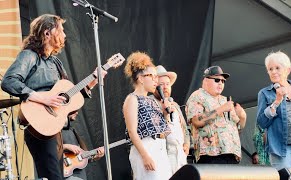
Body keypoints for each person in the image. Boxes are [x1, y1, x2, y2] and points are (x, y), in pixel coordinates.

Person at [1, 14, 106, 179]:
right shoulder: (29, 56)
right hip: (39, 125)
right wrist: (42, 98)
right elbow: (9, 81)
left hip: (55, 129)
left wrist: (91, 82)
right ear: (47, 33)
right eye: (61, 30)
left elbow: (67, 98)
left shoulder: (56, 62)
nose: (64, 35)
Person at [123, 52, 172, 180]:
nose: (156, 81)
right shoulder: (132, 99)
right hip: (145, 147)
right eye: (152, 76)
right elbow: (132, 131)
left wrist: (165, 114)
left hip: (160, 147)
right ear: (140, 78)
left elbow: (162, 128)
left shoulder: (152, 100)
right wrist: (145, 156)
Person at [185, 66, 247, 164]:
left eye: (223, 81)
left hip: (231, 154)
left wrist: (242, 117)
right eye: (217, 80)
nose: (221, 83)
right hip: (210, 155)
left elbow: (238, 128)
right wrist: (221, 109)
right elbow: (196, 121)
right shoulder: (197, 96)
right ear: (206, 80)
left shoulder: (225, 100)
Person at [152, 65, 190, 174]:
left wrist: (186, 144)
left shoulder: (175, 105)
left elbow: (184, 128)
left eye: (168, 84)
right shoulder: (149, 102)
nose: (165, 87)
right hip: (163, 155)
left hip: (180, 155)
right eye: (161, 84)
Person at [62, 112, 104, 180]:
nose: (77, 112)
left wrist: (95, 157)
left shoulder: (73, 130)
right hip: (64, 175)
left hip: (80, 176)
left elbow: (82, 157)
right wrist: (66, 146)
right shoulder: (53, 131)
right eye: (75, 110)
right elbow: (47, 151)